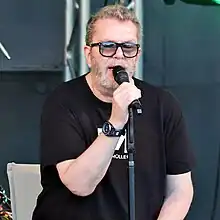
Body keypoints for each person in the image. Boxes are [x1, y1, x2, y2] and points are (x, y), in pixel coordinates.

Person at [32, 4, 195, 220]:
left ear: (137, 55)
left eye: (128, 47)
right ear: (89, 55)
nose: (119, 56)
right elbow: (79, 185)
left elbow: (179, 190)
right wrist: (116, 123)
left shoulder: (163, 105)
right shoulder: (63, 102)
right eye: (108, 46)